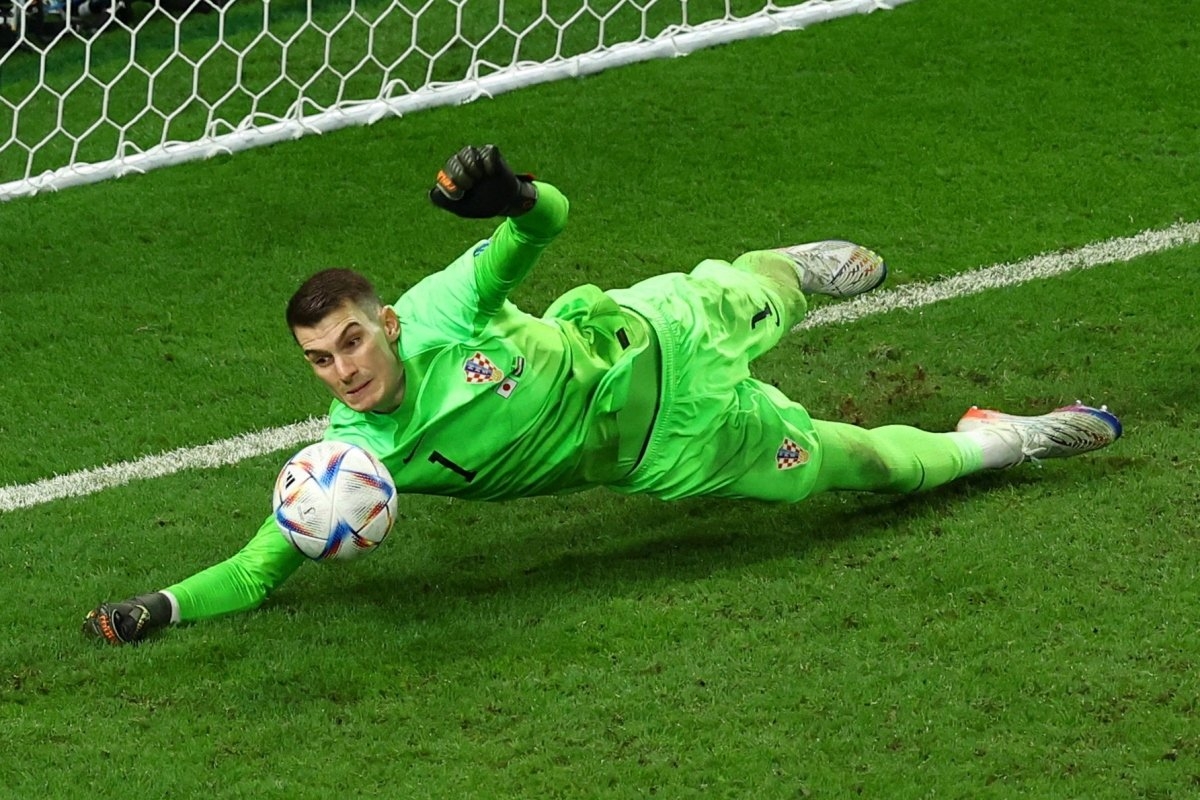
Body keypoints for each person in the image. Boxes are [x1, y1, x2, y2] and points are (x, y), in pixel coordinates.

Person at [82, 145, 1123, 645]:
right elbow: (258, 566)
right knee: (864, 468)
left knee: (761, 292)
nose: (343, 368)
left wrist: (515, 196)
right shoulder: (353, 467)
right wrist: (157, 607)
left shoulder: (446, 306)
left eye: (351, 340)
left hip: (653, 332)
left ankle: (782, 268)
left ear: (386, 321)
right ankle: (1007, 438)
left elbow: (544, 227)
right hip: (670, 448)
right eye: (320, 360)